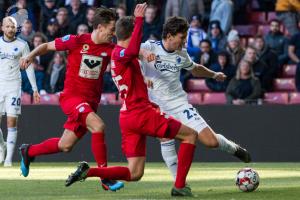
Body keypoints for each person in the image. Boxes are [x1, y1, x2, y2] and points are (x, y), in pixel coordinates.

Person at [65, 4, 198, 197]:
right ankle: (179, 186)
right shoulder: (119, 53)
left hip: (128, 116)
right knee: (190, 136)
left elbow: (134, 56)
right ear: (131, 33)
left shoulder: (124, 57)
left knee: (135, 173)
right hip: (140, 114)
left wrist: (145, 85)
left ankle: (89, 171)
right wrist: (139, 20)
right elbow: (133, 48)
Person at [18, 7, 123, 191]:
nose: (113, 34)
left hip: (91, 103)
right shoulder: (76, 41)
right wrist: (30, 56)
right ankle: (105, 177)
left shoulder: (111, 49)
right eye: (111, 29)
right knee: (98, 126)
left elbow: (130, 56)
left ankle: (29, 151)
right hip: (72, 98)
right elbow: (46, 46)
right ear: (99, 27)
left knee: (65, 145)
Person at [140, 16, 251, 181]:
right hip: (156, 106)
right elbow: (126, 50)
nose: (185, 42)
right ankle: (179, 184)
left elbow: (195, 69)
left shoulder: (181, 53)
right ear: (170, 35)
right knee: (165, 138)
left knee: (210, 142)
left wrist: (214, 74)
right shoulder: (149, 46)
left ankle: (233, 148)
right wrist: (143, 53)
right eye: (182, 37)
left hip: (179, 104)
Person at [0, 17, 39, 167]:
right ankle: (2, 146)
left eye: (13, 27)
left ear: (16, 29)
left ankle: (8, 158)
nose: (10, 29)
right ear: (2, 27)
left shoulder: (22, 45)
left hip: (14, 86)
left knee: (11, 122)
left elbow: (28, 67)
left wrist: (35, 89)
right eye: (7, 26)